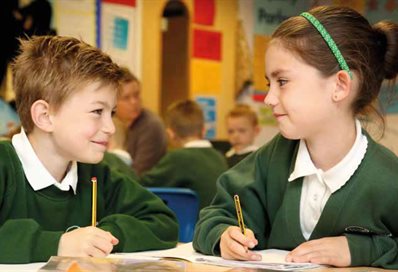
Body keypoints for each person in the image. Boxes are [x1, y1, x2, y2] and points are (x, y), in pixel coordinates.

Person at [193, 5, 398, 269]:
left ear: (339, 85)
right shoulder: (271, 159)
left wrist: (361, 248)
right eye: (269, 83)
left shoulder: (389, 178)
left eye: (282, 81)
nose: (268, 99)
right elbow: (214, 217)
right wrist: (222, 235)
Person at [0, 35, 178, 264]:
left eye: (111, 113)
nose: (111, 127)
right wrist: (58, 244)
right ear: (45, 116)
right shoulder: (4, 166)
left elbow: (163, 221)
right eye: (97, 112)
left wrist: (103, 237)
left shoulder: (97, 174)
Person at [140, 100, 228, 209]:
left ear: (170, 134)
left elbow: (141, 185)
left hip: (196, 224)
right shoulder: (219, 156)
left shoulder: (178, 158)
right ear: (204, 130)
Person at [111, 67, 167, 175]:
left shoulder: (151, 126)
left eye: (136, 95)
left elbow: (138, 175)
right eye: (126, 98)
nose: (134, 102)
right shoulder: (108, 123)